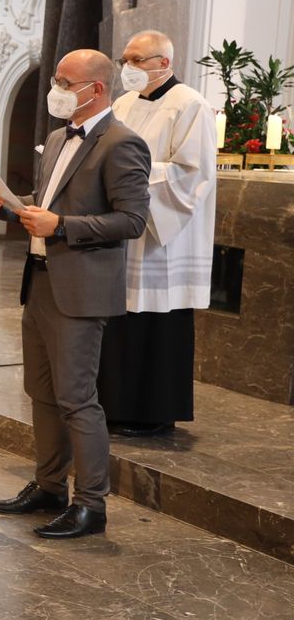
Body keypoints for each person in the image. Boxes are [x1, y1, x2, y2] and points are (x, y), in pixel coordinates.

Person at [0, 49, 151, 539]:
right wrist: (7, 206)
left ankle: (91, 505)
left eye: (63, 80)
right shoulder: (57, 138)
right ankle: (49, 486)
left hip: (81, 288)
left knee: (77, 399)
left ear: (95, 89)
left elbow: (132, 220)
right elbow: (48, 204)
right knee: (42, 393)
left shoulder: (122, 143)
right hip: (40, 281)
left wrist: (63, 225)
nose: (55, 88)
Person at [98, 30, 217, 437]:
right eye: (123, 61)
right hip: (123, 228)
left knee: (157, 323)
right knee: (121, 320)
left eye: (135, 60)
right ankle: (114, 403)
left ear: (163, 63)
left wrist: (129, 177)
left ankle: (153, 412)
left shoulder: (191, 105)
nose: (126, 68)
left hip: (163, 234)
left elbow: (193, 173)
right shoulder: (122, 104)